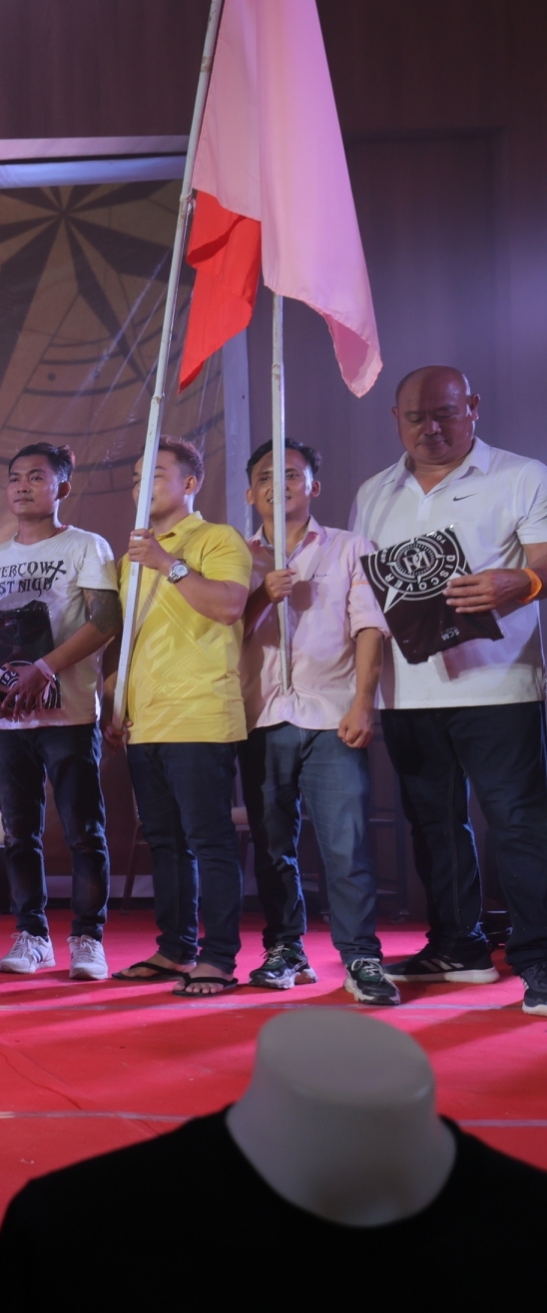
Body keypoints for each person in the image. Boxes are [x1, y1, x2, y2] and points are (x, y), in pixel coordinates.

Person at [348, 366, 547, 1016]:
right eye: (415, 418)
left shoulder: (522, 475)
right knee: (433, 824)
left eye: (445, 413)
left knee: (519, 823)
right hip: (407, 691)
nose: (430, 428)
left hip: (501, 685)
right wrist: (362, 691)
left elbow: (544, 560)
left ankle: (540, 959)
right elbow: (364, 593)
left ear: (474, 407)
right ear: (396, 420)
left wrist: (524, 582)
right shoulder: (373, 492)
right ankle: (458, 946)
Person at [238, 440, 392, 1003]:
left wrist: (364, 702)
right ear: (250, 493)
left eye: (291, 474)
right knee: (272, 846)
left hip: (332, 716)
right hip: (260, 716)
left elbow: (370, 627)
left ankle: (361, 957)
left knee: (346, 846)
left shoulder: (350, 548)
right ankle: (285, 949)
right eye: (265, 477)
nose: (278, 485)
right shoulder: (235, 556)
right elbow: (217, 633)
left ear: (313, 487)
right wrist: (262, 597)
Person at [103, 437, 252, 996]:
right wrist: (115, 702)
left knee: (208, 839)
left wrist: (168, 563)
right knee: (164, 841)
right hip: (144, 720)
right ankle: (174, 949)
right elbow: (129, 642)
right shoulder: (131, 557)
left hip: (199, 713)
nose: (141, 485)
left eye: (156, 474)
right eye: (136, 476)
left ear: (190, 484)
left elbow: (229, 605)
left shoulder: (217, 538)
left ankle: (219, 957)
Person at [0, 443, 119, 980]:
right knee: (18, 834)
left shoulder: (86, 546)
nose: (22, 486)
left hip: (70, 716)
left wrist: (47, 667)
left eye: (36, 477)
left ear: (62, 487)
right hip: (10, 719)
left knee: (84, 832)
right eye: (15, 477)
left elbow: (105, 621)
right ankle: (32, 935)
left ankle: (88, 939)